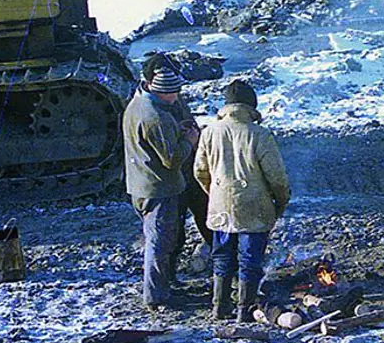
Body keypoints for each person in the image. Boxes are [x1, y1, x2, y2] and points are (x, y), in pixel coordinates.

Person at [194, 79, 291, 322]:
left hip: (220, 207)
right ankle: (244, 310)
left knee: (222, 257)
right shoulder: (259, 134)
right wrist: (279, 203)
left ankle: (219, 307)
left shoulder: (209, 132)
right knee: (250, 259)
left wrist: (214, 195)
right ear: (251, 107)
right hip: (253, 208)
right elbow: (277, 177)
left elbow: (199, 171)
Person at [122, 59, 197, 310]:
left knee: (158, 240)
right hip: (160, 188)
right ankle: (156, 297)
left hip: (140, 184)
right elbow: (172, 160)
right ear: (162, 92)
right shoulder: (157, 118)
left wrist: (176, 129)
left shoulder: (137, 104)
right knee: (159, 244)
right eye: (172, 93)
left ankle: (163, 287)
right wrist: (189, 140)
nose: (176, 98)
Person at [142, 55, 212, 276]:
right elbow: (168, 154)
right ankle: (168, 279)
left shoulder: (172, 97)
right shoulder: (151, 110)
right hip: (174, 177)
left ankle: (220, 267)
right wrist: (188, 140)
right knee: (174, 234)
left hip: (189, 171)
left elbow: (184, 120)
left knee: (207, 220)